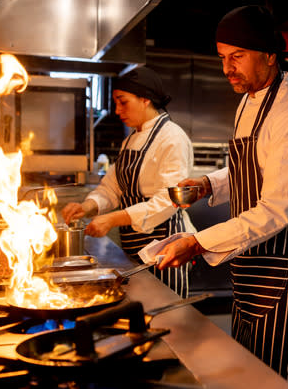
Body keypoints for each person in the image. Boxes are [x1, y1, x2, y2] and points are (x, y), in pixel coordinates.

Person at [153, 5, 288, 388]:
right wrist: (208, 184)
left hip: (284, 262)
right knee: (248, 372)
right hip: (250, 262)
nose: (227, 68)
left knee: (275, 377)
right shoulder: (249, 100)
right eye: (222, 58)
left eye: (237, 57)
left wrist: (198, 243)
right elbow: (249, 170)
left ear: (269, 55)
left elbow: (275, 210)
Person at [61, 66, 194, 298]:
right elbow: (112, 187)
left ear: (145, 99)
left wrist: (112, 219)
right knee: (142, 307)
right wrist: (86, 207)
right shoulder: (130, 139)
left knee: (166, 312)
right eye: (115, 103)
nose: (117, 110)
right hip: (134, 245)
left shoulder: (172, 138)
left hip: (165, 247)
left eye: (123, 102)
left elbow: (168, 201)